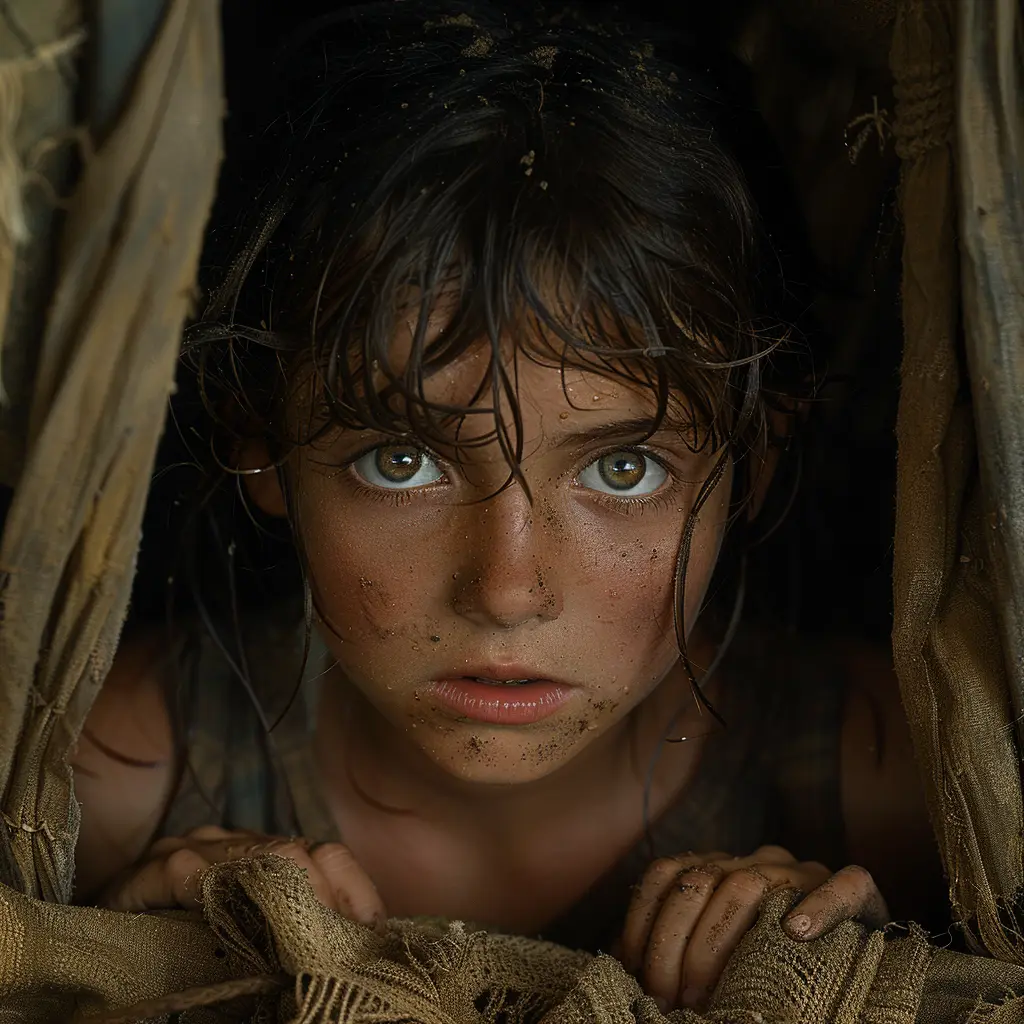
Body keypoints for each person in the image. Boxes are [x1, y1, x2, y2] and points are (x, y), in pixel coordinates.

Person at [69, 2, 943, 1013]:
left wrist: (869, 956)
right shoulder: (116, 783)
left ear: (753, 461)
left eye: (624, 470)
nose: (507, 588)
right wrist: (111, 954)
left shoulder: (889, 788)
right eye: (401, 460)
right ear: (260, 444)